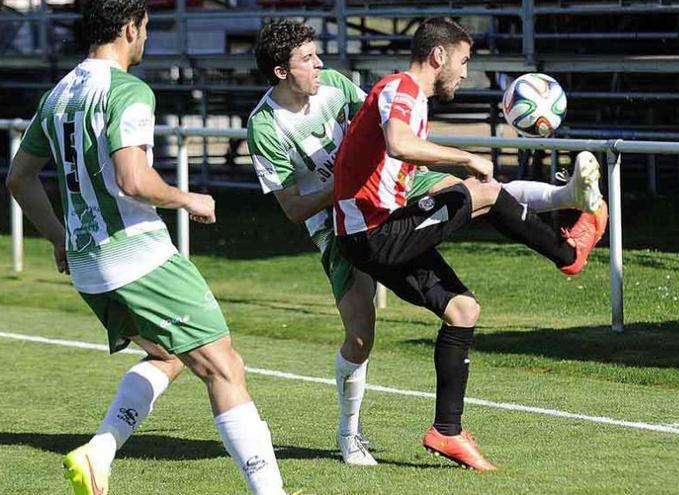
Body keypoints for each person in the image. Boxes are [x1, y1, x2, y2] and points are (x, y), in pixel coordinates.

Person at [248, 20, 605, 467]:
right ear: (282, 72)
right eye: (307, 59)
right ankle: (348, 434)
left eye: (317, 53)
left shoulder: (338, 86)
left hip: (388, 195)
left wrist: (374, 171)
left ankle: (447, 431)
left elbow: (384, 132)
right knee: (360, 337)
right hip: (345, 223)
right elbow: (295, 208)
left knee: (465, 298)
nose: (320, 63)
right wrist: (348, 180)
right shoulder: (265, 127)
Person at [6, 1, 287, 493]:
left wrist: (59, 238)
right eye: (146, 30)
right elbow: (133, 180)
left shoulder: (58, 94)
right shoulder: (127, 89)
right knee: (225, 367)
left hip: (92, 268)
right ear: (130, 28)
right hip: (139, 257)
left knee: (170, 355)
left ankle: (100, 452)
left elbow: (19, 177)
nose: (145, 40)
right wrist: (189, 198)